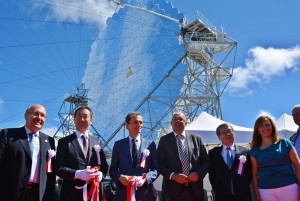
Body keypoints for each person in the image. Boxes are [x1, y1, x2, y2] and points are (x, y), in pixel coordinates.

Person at [0, 104, 56, 201]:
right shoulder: (8, 134)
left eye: (42, 115)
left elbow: (50, 173)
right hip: (10, 192)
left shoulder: (49, 141)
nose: (39, 118)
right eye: (35, 114)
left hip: (38, 194)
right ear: (26, 116)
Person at [55, 106, 108, 201]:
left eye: (85, 116)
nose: (81, 119)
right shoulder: (64, 142)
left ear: (91, 120)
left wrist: (101, 174)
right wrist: (77, 174)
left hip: (94, 194)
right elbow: (58, 168)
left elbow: (104, 166)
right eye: (78, 116)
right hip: (71, 194)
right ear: (74, 119)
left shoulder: (98, 142)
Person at [157, 111, 209, 201]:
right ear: (171, 123)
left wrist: (198, 174)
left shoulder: (197, 139)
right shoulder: (164, 140)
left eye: (181, 119)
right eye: (175, 119)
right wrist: (174, 176)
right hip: (172, 191)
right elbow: (159, 164)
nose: (177, 121)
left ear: (186, 123)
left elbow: (206, 162)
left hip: (195, 190)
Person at [109, 111, 159, 201]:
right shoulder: (118, 145)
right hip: (123, 194)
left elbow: (156, 169)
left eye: (141, 122)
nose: (139, 125)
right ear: (127, 125)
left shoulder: (150, 144)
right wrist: (120, 178)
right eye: (135, 122)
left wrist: (145, 179)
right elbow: (112, 169)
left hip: (145, 194)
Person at [250, 115, 300, 201]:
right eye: (261, 126)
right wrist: (257, 194)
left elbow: (298, 166)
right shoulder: (254, 150)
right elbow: (254, 174)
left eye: (267, 125)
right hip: (265, 190)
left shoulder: (285, 143)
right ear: (257, 130)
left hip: (289, 187)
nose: (265, 128)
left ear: (272, 127)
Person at [208, 123, 252, 201]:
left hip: (243, 195)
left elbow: (249, 173)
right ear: (219, 136)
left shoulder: (244, 151)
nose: (228, 134)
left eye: (229, 131)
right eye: (224, 132)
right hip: (222, 196)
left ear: (233, 133)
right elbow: (212, 175)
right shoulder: (213, 153)